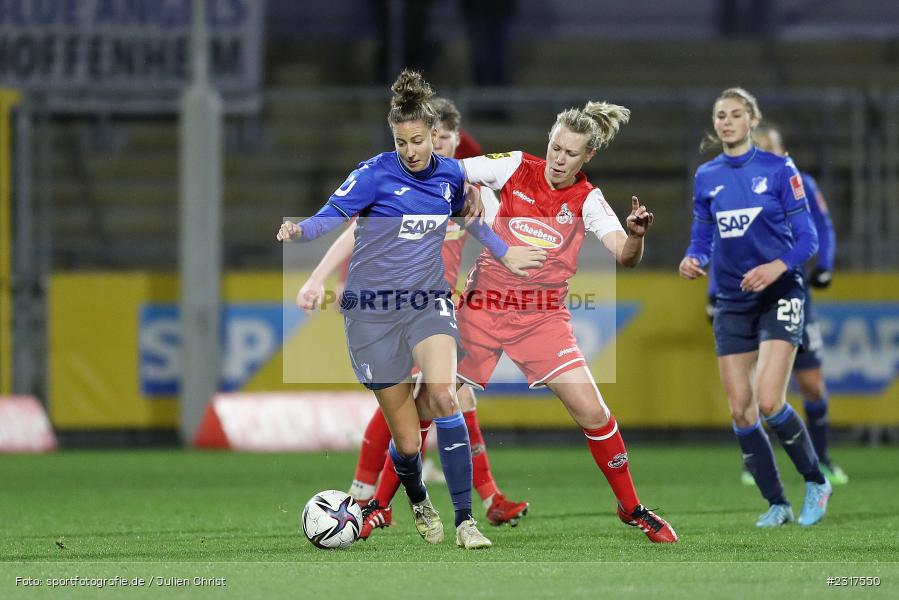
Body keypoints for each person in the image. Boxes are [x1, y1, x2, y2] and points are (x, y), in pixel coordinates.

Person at [277, 70, 544, 549]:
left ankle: (466, 522)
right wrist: (299, 233)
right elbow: (332, 220)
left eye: (419, 141)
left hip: (427, 300)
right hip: (372, 313)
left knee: (444, 394)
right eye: (403, 143)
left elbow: (473, 217)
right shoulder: (373, 174)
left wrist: (506, 252)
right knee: (405, 443)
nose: (413, 151)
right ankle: (416, 498)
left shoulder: (449, 173)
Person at [441, 101, 678, 543]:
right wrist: (463, 191)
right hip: (484, 306)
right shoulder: (513, 165)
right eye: (554, 147)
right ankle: (378, 506)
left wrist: (637, 236)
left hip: (541, 319)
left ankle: (632, 508)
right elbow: (453, 169)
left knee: (593, 411)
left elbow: (624, 255)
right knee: (432, 399)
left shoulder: (588, 200)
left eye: (570, 153)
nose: (558, 158)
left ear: (588, 157)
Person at [680, 87, 832, 528]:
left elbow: (809, 239)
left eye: (734, 114)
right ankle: (777, 503)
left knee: (769, 401)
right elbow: (702, 236)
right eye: (719, 115)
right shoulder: (707, 176)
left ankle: (816, 481)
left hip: (779, 292)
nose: (726, 121)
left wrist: (774, 267)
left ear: (751, 120)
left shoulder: (780, 169)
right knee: (741, 410)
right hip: (731, 300)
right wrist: (695, 259)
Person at [725, 124, 847, 487]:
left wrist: (824, 265)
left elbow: (821, 228)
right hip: (749, 297)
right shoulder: (736, 187)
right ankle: (757, 464)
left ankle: (821, 460)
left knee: (811, 383)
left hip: (792, 294)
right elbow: (722, 239)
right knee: (754, 387)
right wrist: (714, 291)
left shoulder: (800, 183)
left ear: (781, 150)